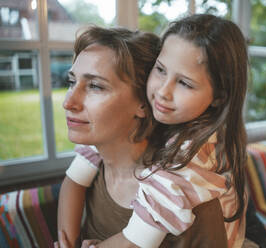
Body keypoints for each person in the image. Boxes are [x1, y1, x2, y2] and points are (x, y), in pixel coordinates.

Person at [58, 14, 251, 248]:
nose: (162, 92)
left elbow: (137, 238)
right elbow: (74, 180)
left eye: (96, 86)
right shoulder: (105, 141)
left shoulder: (186, 167)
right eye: (160, 70)